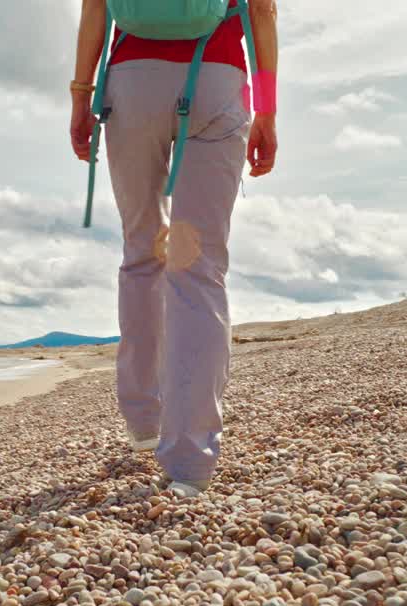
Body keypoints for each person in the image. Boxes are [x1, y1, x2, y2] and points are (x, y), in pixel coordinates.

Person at [70, 0, 278, 498]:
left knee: (142, 252)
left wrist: (80, 96)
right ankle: (190, 461)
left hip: (131, 79)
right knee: (197, 266)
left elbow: (95, 6)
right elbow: (264, 11)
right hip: (217, 74)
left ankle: (144, 421)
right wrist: (266, 110)